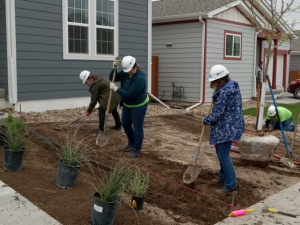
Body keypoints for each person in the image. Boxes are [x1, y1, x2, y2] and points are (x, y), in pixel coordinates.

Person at [203, 65, 245, 196]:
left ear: (219, 81)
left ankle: (230, 185)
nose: (213, 85)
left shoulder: (225, 92)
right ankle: (223, 177)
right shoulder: (231, 85)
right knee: (220, 152)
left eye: (214, 82)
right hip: (229, 125)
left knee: (223, 155)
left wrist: (206, 119)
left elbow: (217, 113)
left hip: (227, 127)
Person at [109, 56, 148, 158]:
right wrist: (114, 68)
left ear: (135, 66)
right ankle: (131, 143)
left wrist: (116, 89)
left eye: (131, 70)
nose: (129, 72)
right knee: (125, 124)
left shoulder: (140, 78)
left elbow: (130, 94)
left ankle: (137, 149)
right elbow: (112, 77)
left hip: (139, 105)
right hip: (128, 104)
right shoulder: (125, 73)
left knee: (137, 127)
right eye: (127, 71)